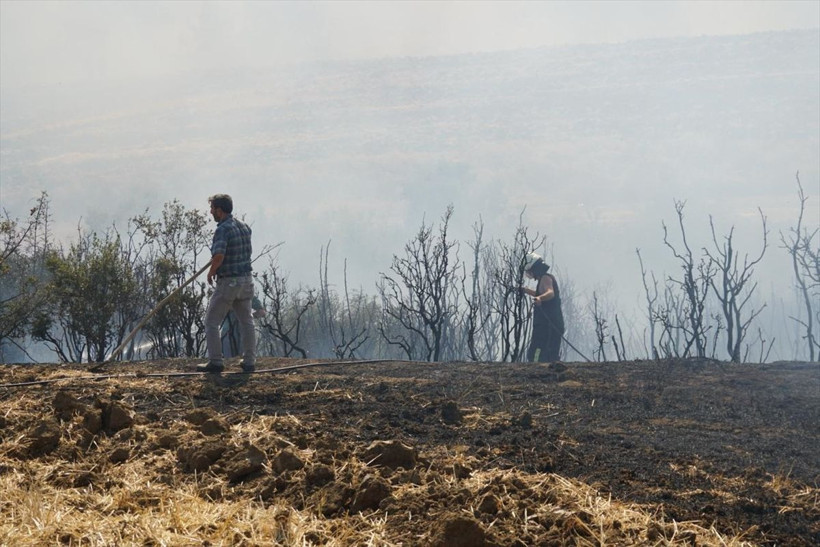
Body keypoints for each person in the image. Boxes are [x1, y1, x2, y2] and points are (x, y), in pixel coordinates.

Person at [197, 194, 256, 373]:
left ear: (220, 210)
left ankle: (215, 361)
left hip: (229, 282)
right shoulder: (244, 227)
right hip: (246, 281)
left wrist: (211, 271)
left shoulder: (222, 229)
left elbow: (220, 255)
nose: (210, 212)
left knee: (211, 322)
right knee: (247, 321)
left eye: (212, 209)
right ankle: (249, 361)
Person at [520, 252, 564, 362]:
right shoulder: (543, 280)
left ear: (535, 269)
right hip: (545, 324)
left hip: (549, 325)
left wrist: (540, 299)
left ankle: (537, 369)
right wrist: (525, 290)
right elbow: (539, 293)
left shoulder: (545, 278)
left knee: (540, 352)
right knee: (539, 350)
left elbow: (550, 293)